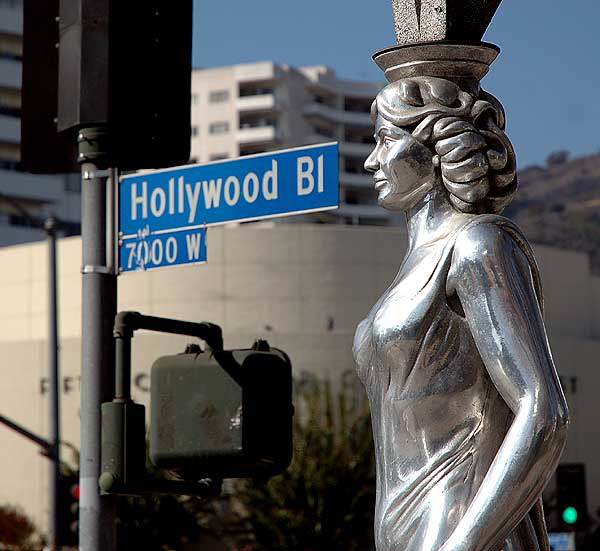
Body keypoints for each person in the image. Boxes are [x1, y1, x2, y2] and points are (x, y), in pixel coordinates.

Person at [353, 76, 569, 551]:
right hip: (401, 530)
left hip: (459, 526)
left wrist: (464, 545)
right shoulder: (409, 268)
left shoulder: (476, 246)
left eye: (385, 140)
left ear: (435, 149)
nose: (370, 160)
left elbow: (543, 410)